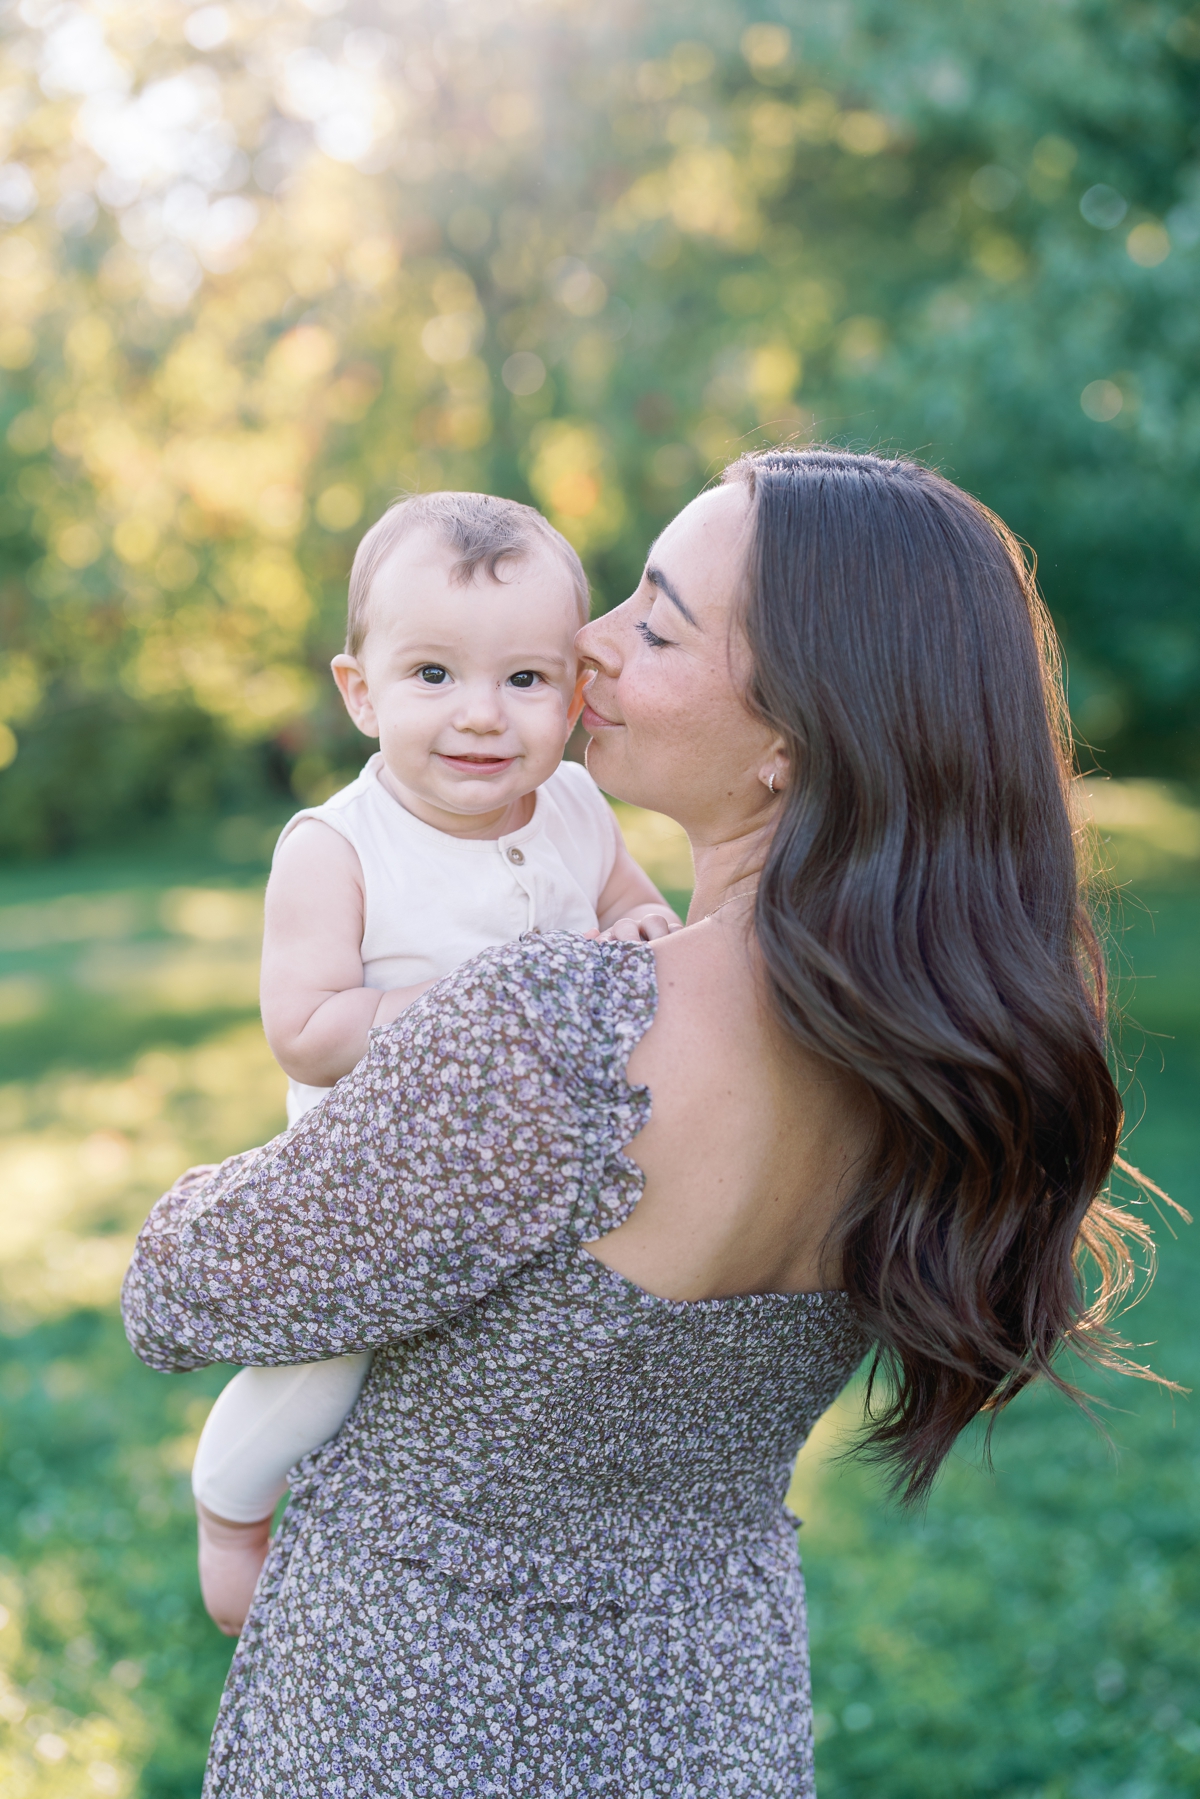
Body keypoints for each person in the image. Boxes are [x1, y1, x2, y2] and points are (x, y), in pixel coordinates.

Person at [123, 449, 1155, 1799]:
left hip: (414, 1722)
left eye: (653, 620)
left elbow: (185, 1289)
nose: (586, 645)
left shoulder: (560, 1031)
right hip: (710, 1719)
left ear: (796, 735)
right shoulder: (935, 1057)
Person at [190, 490, 677, 1634]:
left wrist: (646, 930)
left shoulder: (570, 802)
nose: (480, 718)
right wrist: (470, 1002)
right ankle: (230, 1506)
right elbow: (306, 1026)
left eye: (524, 680)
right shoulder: (337, 846)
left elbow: (634, 903)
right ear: (360, 690)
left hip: (540, 1161)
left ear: (573, 692)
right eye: (431, 676)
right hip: (375, 1176)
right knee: (328, 1360)